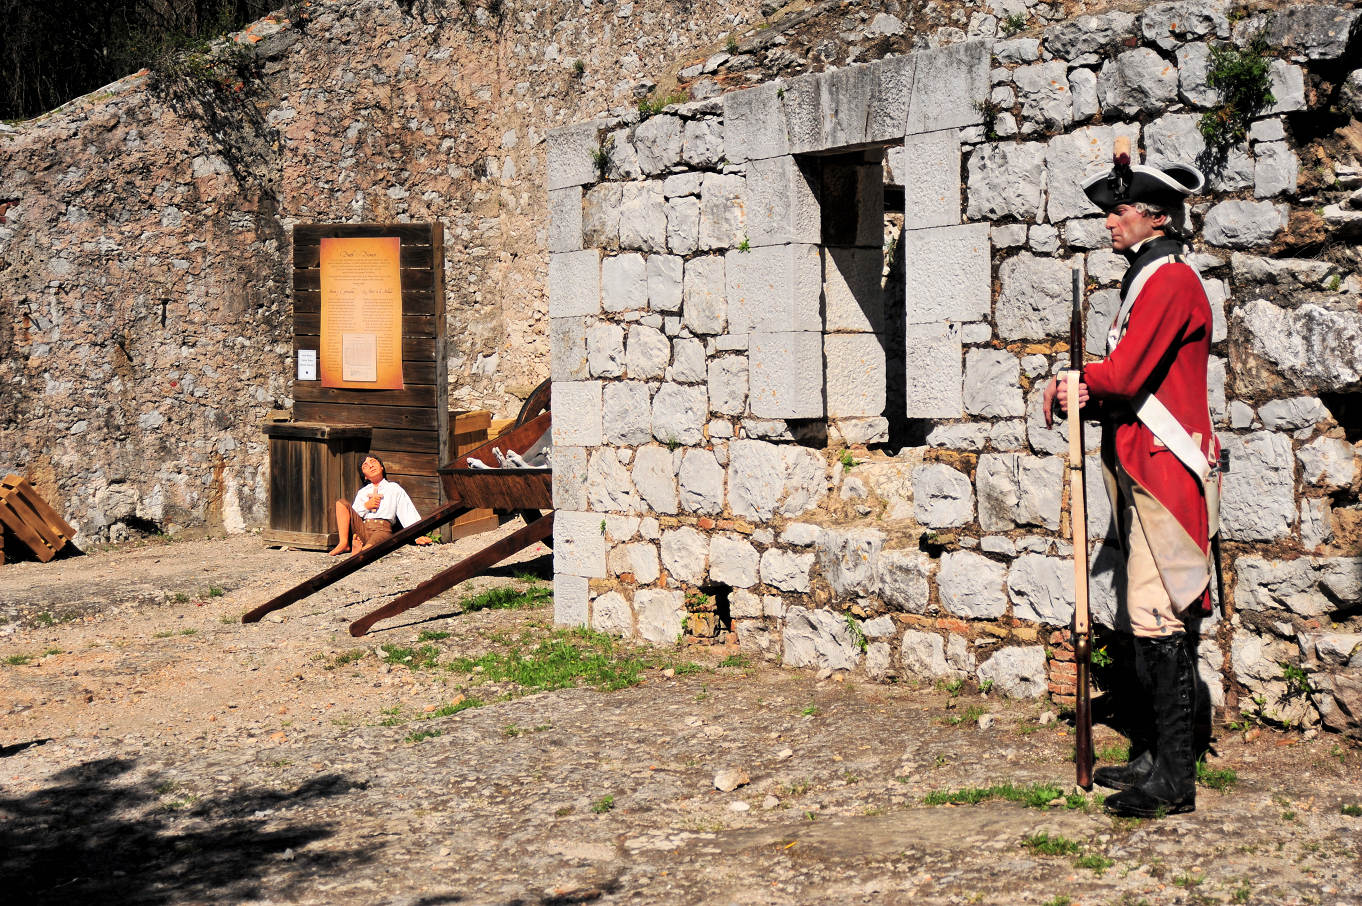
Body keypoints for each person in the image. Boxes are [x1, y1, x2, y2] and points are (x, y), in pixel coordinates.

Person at [1042, 142, 1220, 818]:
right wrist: (1084, 392)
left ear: (1157, 217)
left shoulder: (1170, 282)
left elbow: (1126, 374)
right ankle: (1154, 754)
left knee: (1160, 617)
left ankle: (1175, 780)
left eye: (1121, 211)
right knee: (1146, 617)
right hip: (1142, 463)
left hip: (1166, 469)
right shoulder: (1145, 281)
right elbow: (1128, 385)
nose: (1110, 221)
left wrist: (1077, 381)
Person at [329, 455, 432, 556]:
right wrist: (366, 506)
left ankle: (361, 552)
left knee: (373, 544)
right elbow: (352, 516)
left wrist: (417, 535)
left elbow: (407, 512)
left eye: (373, 462)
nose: (371, 466)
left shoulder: (394, 488)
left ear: (382, 467)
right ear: (365, 476)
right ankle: (344, 543)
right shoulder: (362, 492)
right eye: (365, 466)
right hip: (363, 528)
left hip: (382, 529)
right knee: (341, 503)